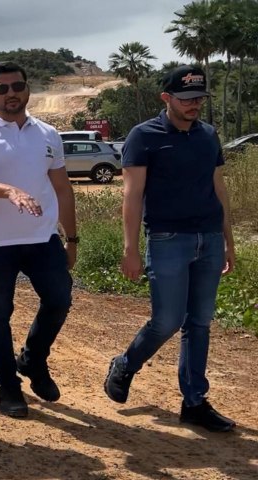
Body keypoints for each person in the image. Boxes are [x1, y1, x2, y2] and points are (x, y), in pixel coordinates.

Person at [104, 65, 236, 432]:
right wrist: (130, 249)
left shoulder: (208, 135)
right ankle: (125, 364)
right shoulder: (143, 136)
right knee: (167, 321)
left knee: (200, 323)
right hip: (166, 240)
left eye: (199, 99)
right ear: (166, 98)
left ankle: (194, 402)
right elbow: (131, 196)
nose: (194, 105)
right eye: (187, 99)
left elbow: (218, 189)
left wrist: (228, 239)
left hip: (208, 238)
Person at [0, 61, 77, 418]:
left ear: (27, 88)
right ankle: (8, 387)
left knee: (59, 300)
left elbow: (63, 189)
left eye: (17, 86)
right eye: (2, 88)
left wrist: (72, 239)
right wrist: (8, 190)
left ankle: (33, 360)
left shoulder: (48, 134)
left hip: (42, 238)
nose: (11, 94)